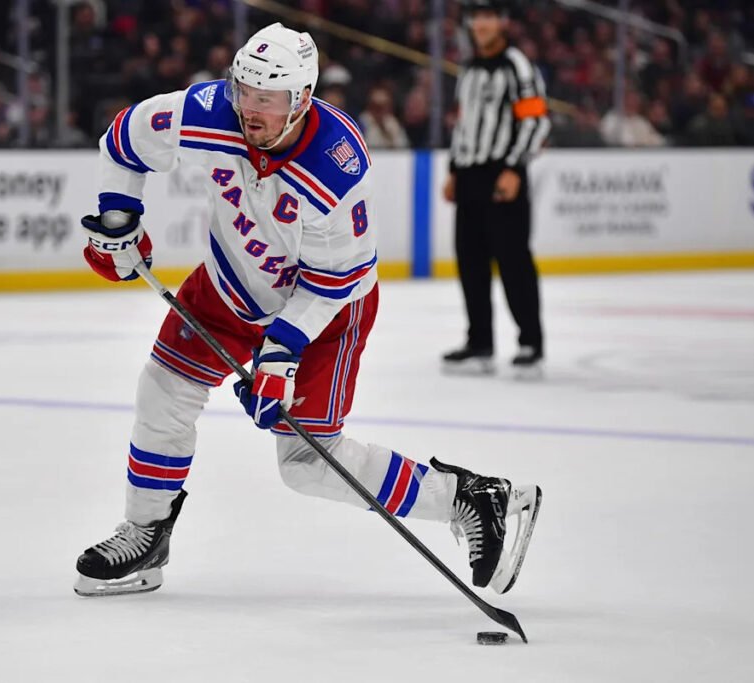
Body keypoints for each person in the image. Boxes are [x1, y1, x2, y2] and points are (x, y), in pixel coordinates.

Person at [73, 23, 542, 598]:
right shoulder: (211, 111)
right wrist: (118, 219)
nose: (250, 109)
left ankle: (468, 498)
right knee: (164, 389)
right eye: (244, 90)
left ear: (301, 99)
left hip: (327, 311)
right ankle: (146, 532)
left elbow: (333, 280)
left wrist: (280, 356)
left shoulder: (334, 165)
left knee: (308, 462)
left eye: (267, 99)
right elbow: (126, 138)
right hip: (231, 282)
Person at [442, 0, 550, 376]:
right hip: (470, 176)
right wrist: (455, 169)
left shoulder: (517, 65)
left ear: (502, 22)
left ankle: (530, 343)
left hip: (502, 175)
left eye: (488, 16)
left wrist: (515, 168)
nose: (482, 24)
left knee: (513, 262)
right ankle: (480, 343)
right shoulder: (469, 69)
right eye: (477, 17)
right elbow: (464, 124)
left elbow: (535, 121)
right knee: (470, 262)